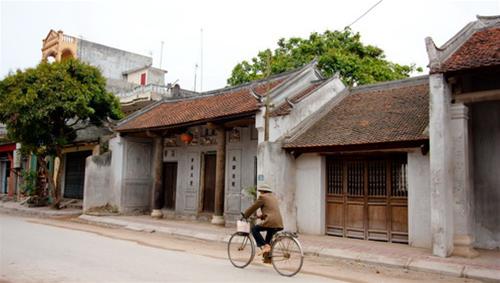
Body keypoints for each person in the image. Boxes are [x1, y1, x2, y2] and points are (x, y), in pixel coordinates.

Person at [243, 183, 283, 255]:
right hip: (278, 222)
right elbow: (271, 211)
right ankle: (268, 257)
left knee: (254, 229)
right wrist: (260, 216)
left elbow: (253, 207)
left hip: (271, 221)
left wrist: (246, 215)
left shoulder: (263, 197)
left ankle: (265, 246)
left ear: (263, 191)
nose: (260, 193)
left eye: (260, 191)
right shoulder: (273, 197)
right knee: (268, 237)